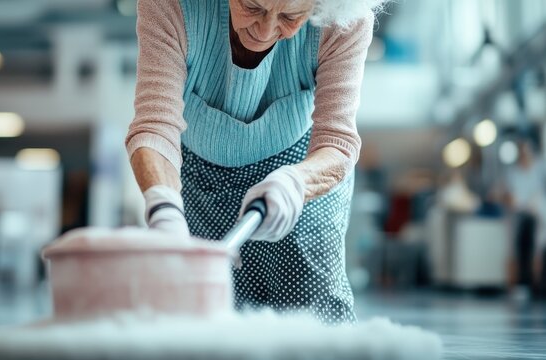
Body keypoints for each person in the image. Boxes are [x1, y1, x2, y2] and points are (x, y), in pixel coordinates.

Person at [125, 0, 387, 324]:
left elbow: (337, 142)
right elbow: (154, 127)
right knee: (202, 316)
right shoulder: (171, 4)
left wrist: (295, 183)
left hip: (302, 174)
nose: (265, 30)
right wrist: (164, 209)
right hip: (199, 181)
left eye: (291, 16)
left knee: (312, 315)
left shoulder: (344, 16)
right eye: (253, 6)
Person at [504, 139, 546, 300]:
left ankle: (537, 283)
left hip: (538, 213)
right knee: (522, 245)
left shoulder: (539, 169)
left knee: (538, 247)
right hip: (521, 215)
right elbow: (510, 196)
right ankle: (524, 283)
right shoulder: (513, 173)